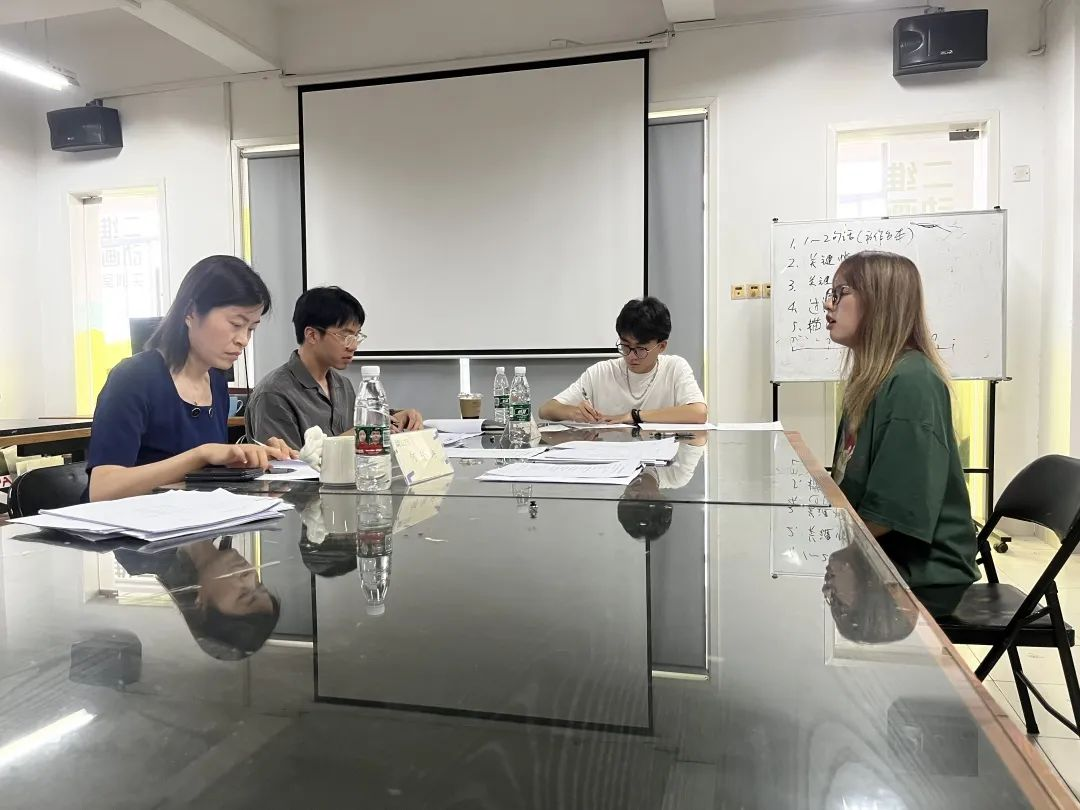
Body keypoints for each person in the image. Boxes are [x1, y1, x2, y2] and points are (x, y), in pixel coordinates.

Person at [824, 250, 979, 589]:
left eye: (840, 293)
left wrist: (826, 545)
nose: (828, 304)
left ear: (879, 300)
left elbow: (890, 513)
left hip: (920, 570)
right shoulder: (870, 379)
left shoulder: (912, 381)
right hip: (878, 550)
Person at [87, 256, 292, 502]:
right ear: (191, 312)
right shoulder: (132, 379)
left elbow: (203, 478)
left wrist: (246, 458)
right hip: (132, 523)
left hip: (194, 519)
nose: (243, 340)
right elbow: (102, 490)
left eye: (251, 329)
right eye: (235, 324)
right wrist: (200, 456)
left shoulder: (215, 382)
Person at [246, 287, 424, 451]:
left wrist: (399, 416)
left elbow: (361, 422)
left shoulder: (342, 385)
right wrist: (352, 438)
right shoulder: (273, 394)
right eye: (345, 336)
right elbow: (285, 466)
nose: (353, 346)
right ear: (312, 335)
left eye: (356, 336)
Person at [538, 297, 707, 426]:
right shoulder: (601, 372)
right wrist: (574, 412)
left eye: (640, 349)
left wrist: (634, 416)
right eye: (625, 346)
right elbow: (546, 410)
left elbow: (698, 413)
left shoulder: (675, 368)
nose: (631, 356)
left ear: (661, 346)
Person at [114, 536, 280, 660]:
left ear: (201, 605)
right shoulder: (229, 517)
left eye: (243, 595)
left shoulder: (142, 555)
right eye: (258, 585)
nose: (250, 576)